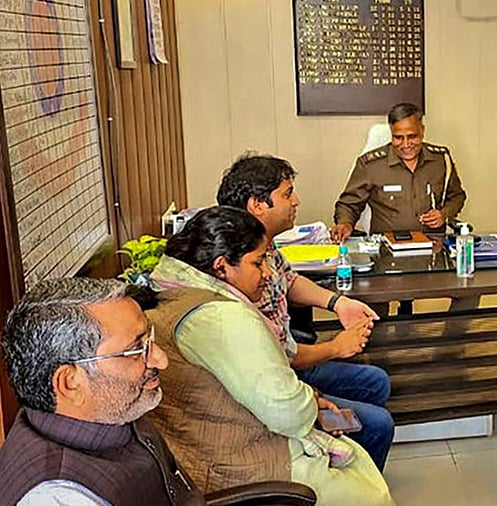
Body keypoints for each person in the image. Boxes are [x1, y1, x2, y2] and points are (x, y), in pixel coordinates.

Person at [148, 206, 394, 504]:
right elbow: (286, 410)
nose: (266, 273)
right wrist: (310, 404)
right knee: (366, 489)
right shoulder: (221, 318)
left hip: (208, 445)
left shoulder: (173, 289)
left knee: (372, 387)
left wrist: (311, 398)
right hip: (244, 463)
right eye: (258, 263)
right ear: (222, 266)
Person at [217, 153, 394, 471]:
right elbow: (276, 359)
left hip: (290, 359)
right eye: (287, 194)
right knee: (379, 423)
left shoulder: (263, 244)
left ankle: (349, 458)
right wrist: (335, 348)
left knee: (376, 382)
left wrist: (338, 303)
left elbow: (289, 280)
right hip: (279, 377)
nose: (296, 200)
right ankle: (341, 468)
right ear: (257, 204)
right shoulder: (237, 263)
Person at [0, 277, 204, 505]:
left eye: (149, 339)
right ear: (70, 383)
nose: (161, 359)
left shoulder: (112, 408)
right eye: (136, 349)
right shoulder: (59, 496)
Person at [331, 102, 467, 242]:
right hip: (387, 250)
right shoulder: (371, 165)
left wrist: (444, 214)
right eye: (398, 138)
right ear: (391, 133)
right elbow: (348, 204)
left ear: (422, 131)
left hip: (432, 247)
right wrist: (345, 224)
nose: (406, 144)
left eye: (412, 136)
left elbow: (457, 196)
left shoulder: (441, 161)